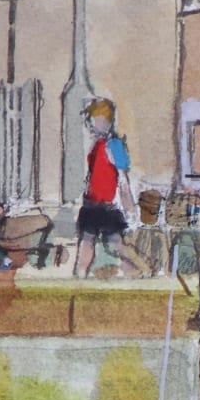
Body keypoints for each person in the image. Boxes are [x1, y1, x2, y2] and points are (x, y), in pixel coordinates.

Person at [75, 98, 145, 278]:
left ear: (103, 121)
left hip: (107, 206)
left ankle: (142, 269)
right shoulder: (97, 145)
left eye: (92, 121)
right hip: (92, 204)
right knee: (87, 241)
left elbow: (122, 179)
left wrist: (129, 206)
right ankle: (80, 274)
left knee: (118, 244)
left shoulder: (115, 145)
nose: (90, 126)